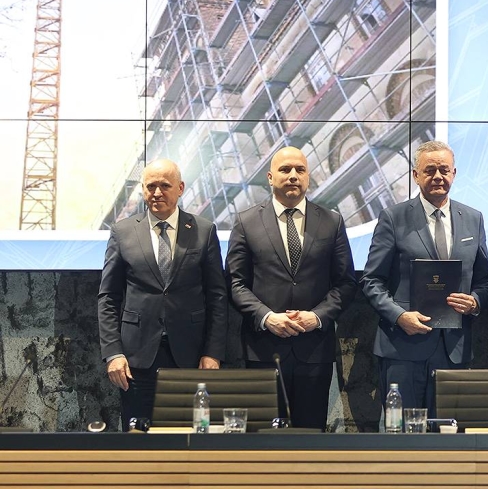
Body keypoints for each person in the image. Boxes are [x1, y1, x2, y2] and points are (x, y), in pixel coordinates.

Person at [226, 146, 358, 430]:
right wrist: (266, 317)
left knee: (310, 439)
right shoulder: (246, 222)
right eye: (285, 170)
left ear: (308, 176)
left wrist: (318, 317)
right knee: (263, 441)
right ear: (270, 177)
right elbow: (235, 283)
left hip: (314, 350)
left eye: (300, 170)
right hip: (263, 351)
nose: (293, 176)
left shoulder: (332, 221)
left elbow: (346, 282)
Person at [361, 140, 488, 414]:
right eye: (430, 170)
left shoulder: (473, 218)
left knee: (448, 434)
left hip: (454, 350)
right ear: (416, 175)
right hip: (403, 348)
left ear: (454, 173)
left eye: (444, 170)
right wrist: (399, 316)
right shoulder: (393, 217)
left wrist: (475, 302)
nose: (438, 176)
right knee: (403, 435)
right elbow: (371, 280)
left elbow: (486, 281)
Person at [97, 159, 228, 431]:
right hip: (136, 360)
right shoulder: (122, 232)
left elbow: (217, 297)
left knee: (190, 439)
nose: (157, 193)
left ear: (180, 188)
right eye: (150, 186)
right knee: (139, 441)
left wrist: (213, 352)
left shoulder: (204, 230)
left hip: (192, 358)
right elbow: (108, 297)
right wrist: (113, 354)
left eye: (165, 186)